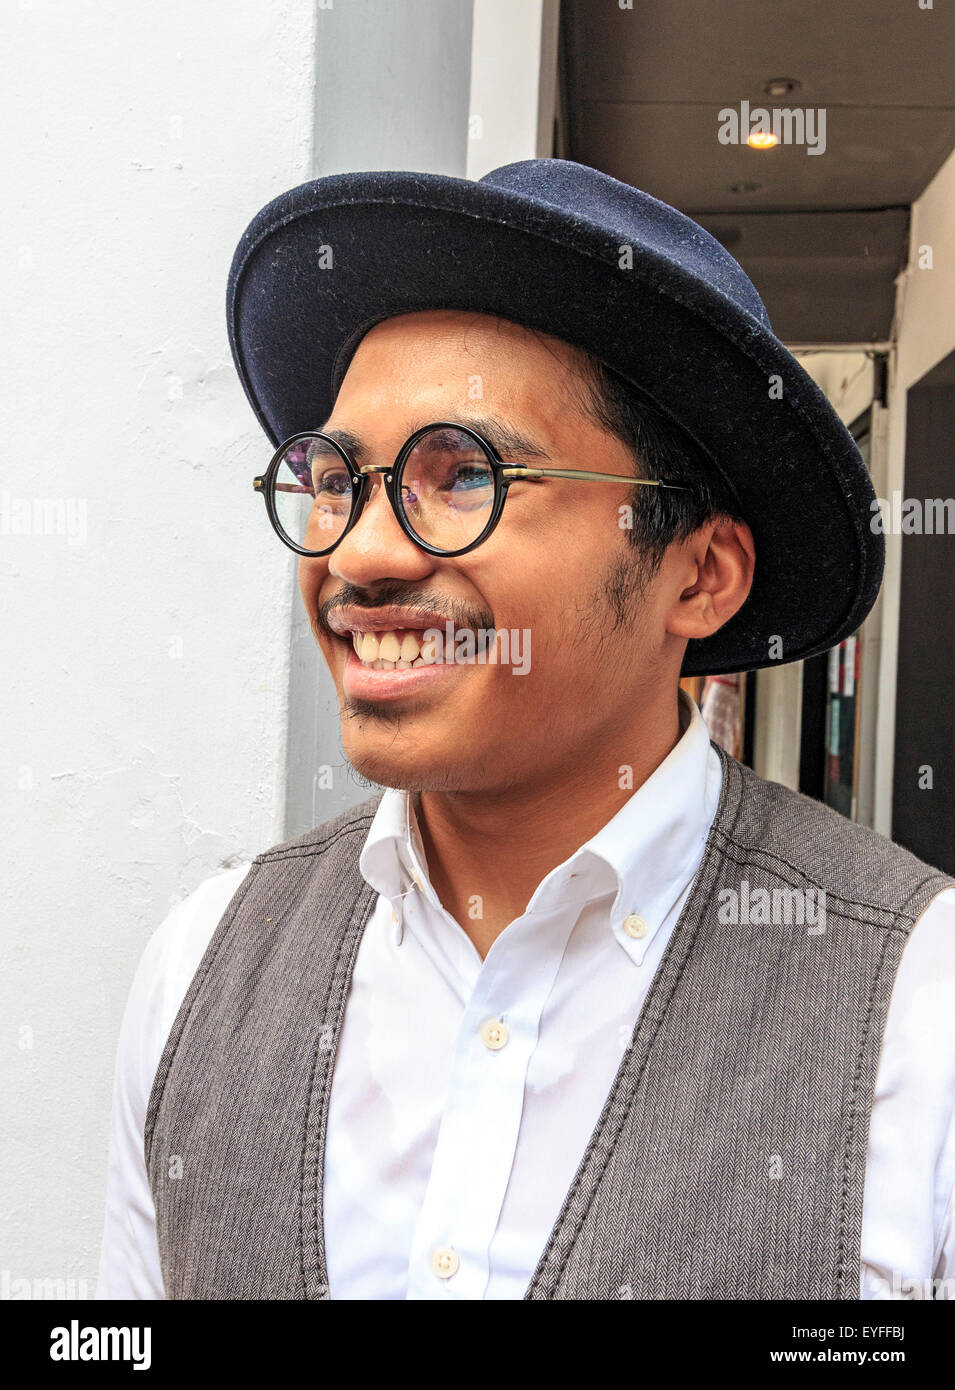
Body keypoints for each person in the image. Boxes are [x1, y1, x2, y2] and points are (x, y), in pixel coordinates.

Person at [97, 159, 955, 1300]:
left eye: (464, 475)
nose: (358, 555)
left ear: (697, 576)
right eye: (338, 479)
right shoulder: (204, 964)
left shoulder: (915, 1009)